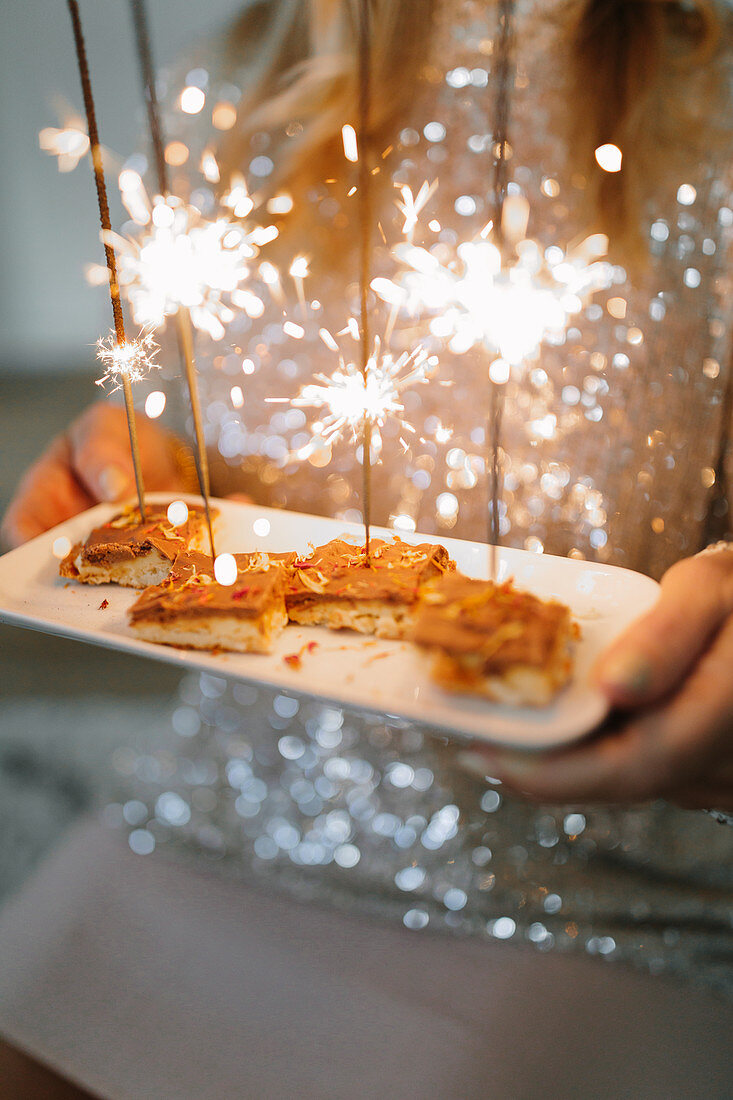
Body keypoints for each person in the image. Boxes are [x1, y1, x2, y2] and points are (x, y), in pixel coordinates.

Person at [3, 0, 733, 999]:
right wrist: (124, 469)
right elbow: (164, 431)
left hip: (615, 885)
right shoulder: (223, 88)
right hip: (223, 805)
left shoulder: (715, 119)